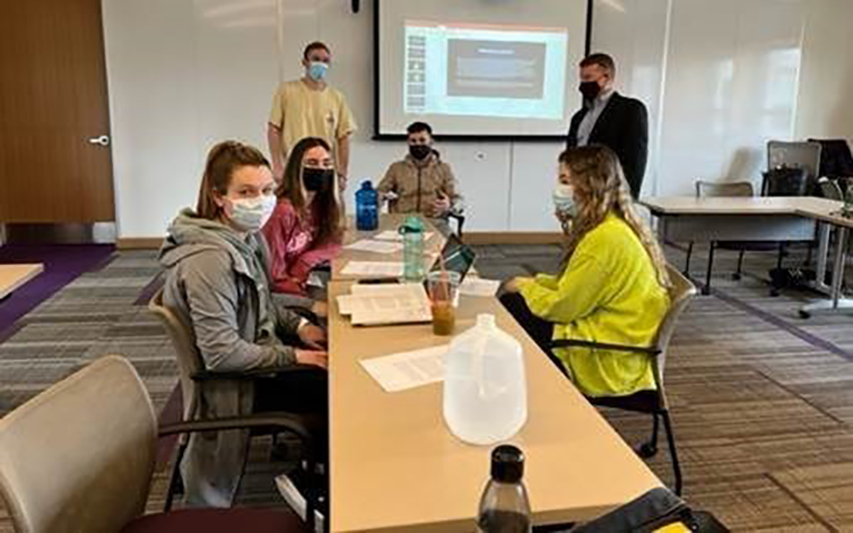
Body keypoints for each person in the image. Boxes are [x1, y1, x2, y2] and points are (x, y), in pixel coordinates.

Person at [159, 140, 328, 508]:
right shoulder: (211, 261)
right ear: (219, 196)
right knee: (338, 389)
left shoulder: (244, 239)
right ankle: (316, 491)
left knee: (332, 367)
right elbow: (222, 355)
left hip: (256, 358)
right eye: (246, 192)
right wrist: (298, 357)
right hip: (236, 385)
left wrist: (301, 328)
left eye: (267, 190)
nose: (261, 201)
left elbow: (262, 302)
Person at [500, 146, 670, 398]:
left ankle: (540, 396)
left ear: (589, 185)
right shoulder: (614, 225)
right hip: (626, 339)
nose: (559, 190)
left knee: (514, 307)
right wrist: (533, 282)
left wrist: (524, 286)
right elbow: (579, 285)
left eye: (565, 181)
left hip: (609, 353)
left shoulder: (603, 239)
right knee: (519, 300)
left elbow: (564, 307)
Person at [263, 137, 342, 309]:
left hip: (305, 280)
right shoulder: (282, 212)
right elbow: (273, 276)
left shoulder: (321, 205)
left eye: (326, 163)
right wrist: (308, 300)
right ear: (296, 168)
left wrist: (305, 261)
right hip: (280, 296)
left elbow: (333, 243)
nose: (321, 169)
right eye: (312, 163)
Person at [267, 41, 357, 191]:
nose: (320, 64)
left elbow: (344, 138)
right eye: (316, 59)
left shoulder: (337, 97)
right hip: (294, 168)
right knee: (293, 211)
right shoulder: (287, 91)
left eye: (325, 60)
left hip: (325, 170)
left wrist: (342, 174)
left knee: (326, 212)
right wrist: (277, 165)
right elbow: (274, 129)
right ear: (305, 62)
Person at [566, 53, 649, 199]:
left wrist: (627, 200)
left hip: (611, 196)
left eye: (588, 78)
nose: (583, 84)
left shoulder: (630, 110)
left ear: (606, 77)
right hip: (580, 195)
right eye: (581, 78)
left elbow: (635, 161)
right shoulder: (578, 117)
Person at [377, 122, 463, 235]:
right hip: (403, 224)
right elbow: (379, 192)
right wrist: (379, 196)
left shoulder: (444, 168)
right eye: (413, 141)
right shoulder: (396, 168)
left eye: (422, 140)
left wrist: (449, 206)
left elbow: (460, 201)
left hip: (434, 224)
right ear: (408, 143)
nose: (418, 144)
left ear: (431, 141)